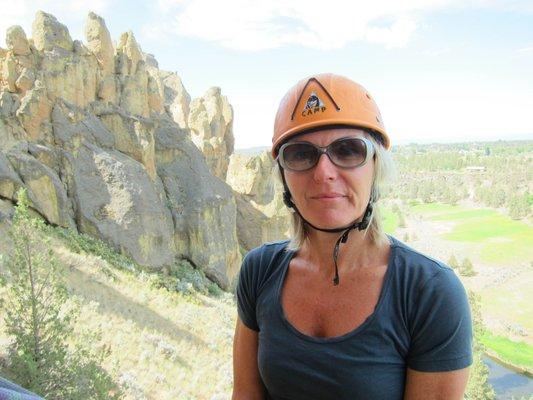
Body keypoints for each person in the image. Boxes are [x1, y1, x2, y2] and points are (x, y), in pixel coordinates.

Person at [232, 73, 472, 400]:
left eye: (347, 150)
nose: (324, 172)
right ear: (284, 176)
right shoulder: (260, 271)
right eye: (300, 154)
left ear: (376, 167)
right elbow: (246, 395)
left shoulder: (428, 292)